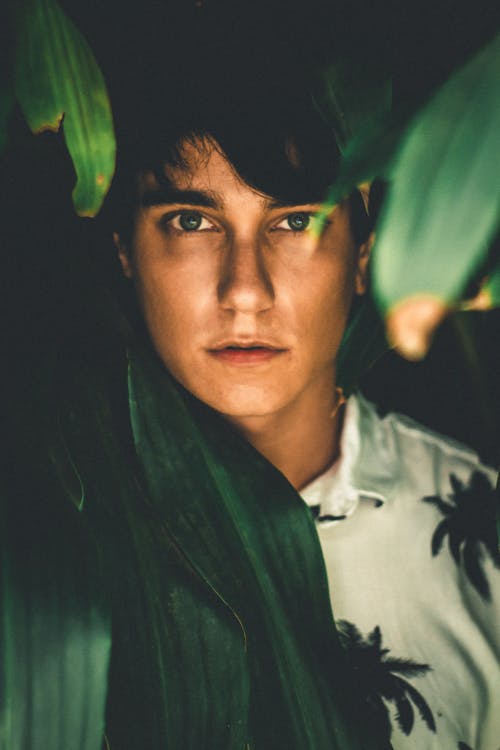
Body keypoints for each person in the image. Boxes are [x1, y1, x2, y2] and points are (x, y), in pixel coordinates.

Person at [101, 62, 500, 750]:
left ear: (364, 254)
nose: (245, 290)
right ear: (125, 253)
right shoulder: (44, 541)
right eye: (192, 220)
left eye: (296, 220)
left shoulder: (482, 531)